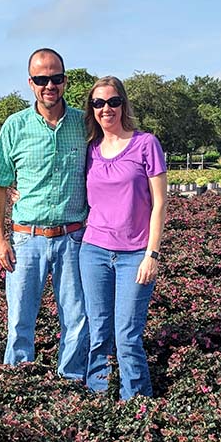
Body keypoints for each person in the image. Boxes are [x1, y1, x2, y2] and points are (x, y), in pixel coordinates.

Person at [0, 48, 89, 380]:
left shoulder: (84, 124)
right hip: (26, 238)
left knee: (76, 317)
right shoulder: (14, 126)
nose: (50, 85)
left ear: (65, 80)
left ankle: (72, 381)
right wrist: (0, 240)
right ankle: (19, 383)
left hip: (73, 237)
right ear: (30, 83)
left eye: (56, 78)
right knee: (19, 318)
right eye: (42, 79)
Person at [79, 76, 167, 400]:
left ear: (123, 104)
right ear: (92, 109)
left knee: (127, 335)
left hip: (135, 255)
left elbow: (159, 204)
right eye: (99, 103)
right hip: (94, 253)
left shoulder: (146, 144)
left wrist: (152, 255)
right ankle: (98, 401)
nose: (106, 108)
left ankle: (137, 408)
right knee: (99, 332)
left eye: (113, 101)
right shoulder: (90, 150)